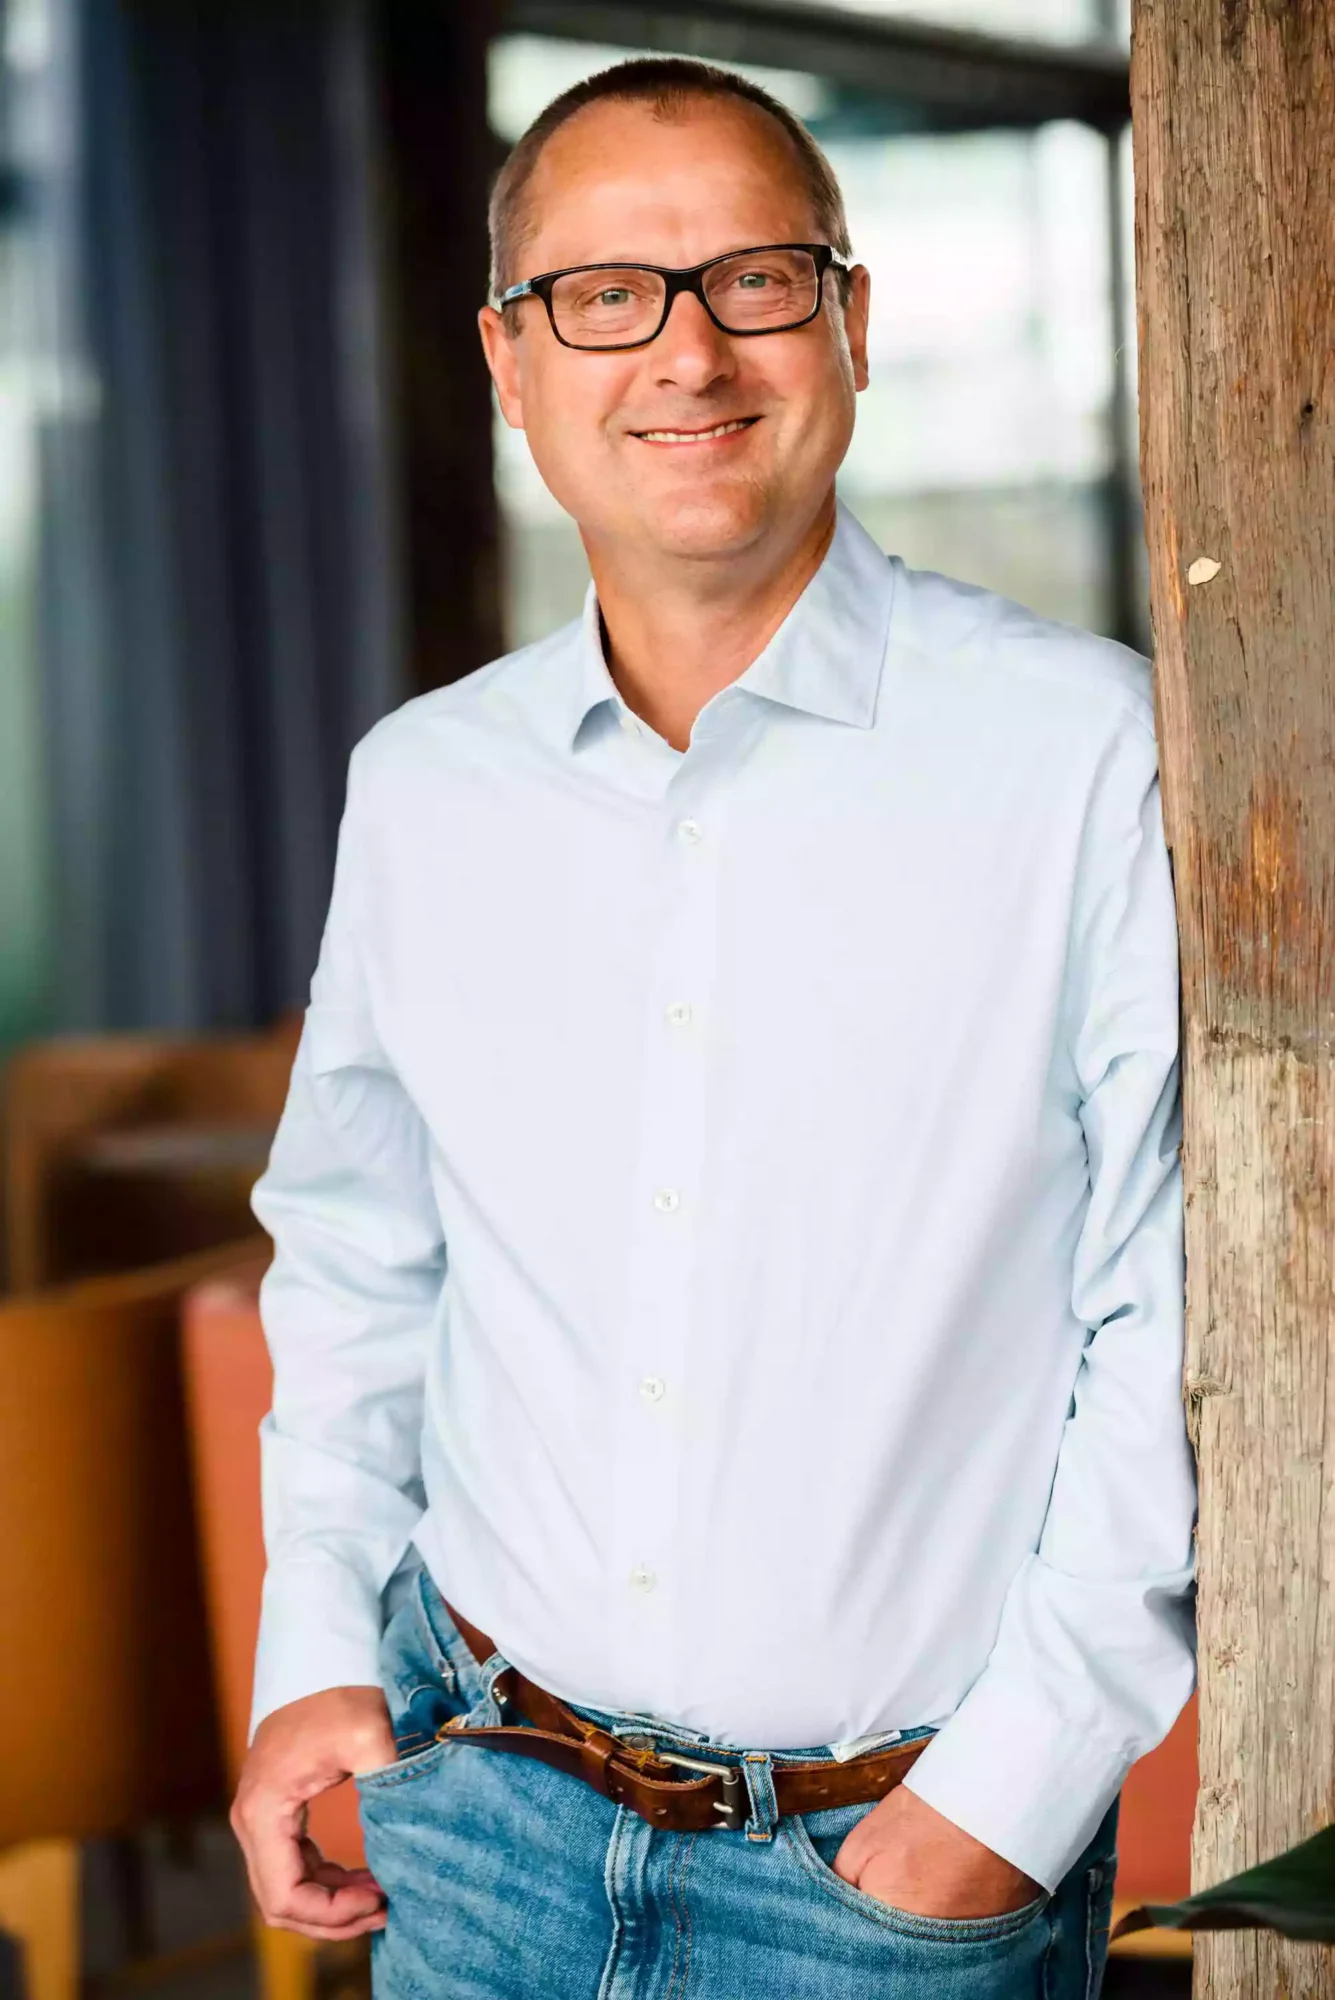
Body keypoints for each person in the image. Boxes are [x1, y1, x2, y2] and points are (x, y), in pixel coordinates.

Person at [230, 56, 1196, 2000]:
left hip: (891, 1872)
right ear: (510, 362)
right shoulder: (424, 785)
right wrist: (317, 1644)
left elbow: (1168, 1306)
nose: (685, 350)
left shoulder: (1087, 748)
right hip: (479, 1807)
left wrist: (994, 1804)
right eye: (604, 293)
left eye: (752, 277)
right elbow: (358, 1257)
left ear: (845, 320)